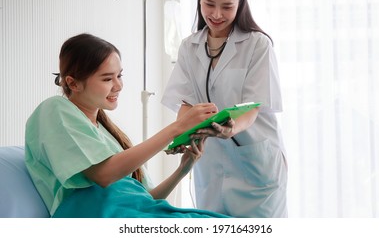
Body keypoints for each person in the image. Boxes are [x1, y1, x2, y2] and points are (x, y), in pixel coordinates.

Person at [24, 33, 229, 218]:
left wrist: (183, 169)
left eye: (119, 75)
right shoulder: (54, 109)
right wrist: (177, 128)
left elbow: (145, 200)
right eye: (107, 78)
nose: (119, 86)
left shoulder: (108, 134)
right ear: (73, 83)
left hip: (128, 214)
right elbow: (103, 176)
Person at [161, 0, 287, 218]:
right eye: (209, 4)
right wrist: (181, 137)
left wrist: (231, 129)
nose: (217, 14)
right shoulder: (189, 47)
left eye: (227, 6)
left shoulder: (257, 45)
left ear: (240, 4)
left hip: (255, 165)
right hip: (211, 166)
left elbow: (253, 108)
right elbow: (186, 103)